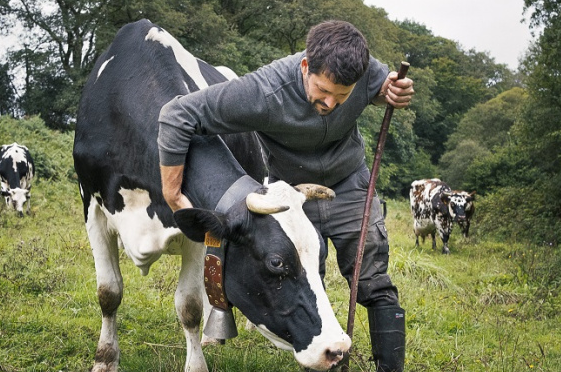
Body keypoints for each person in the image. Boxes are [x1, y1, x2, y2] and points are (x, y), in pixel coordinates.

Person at [158, 20, 414, 372]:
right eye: (323, 91)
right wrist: (172, 193)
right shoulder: (264, 91)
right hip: (289, 201)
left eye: (342, 96)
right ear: (305, 66)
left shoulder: (366, 72)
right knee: (304, 281)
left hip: (350, 186)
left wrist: (392, 93)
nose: (330, 103)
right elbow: (177, 114)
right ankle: (322, 359)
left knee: (372, 281)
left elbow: (382, 85)